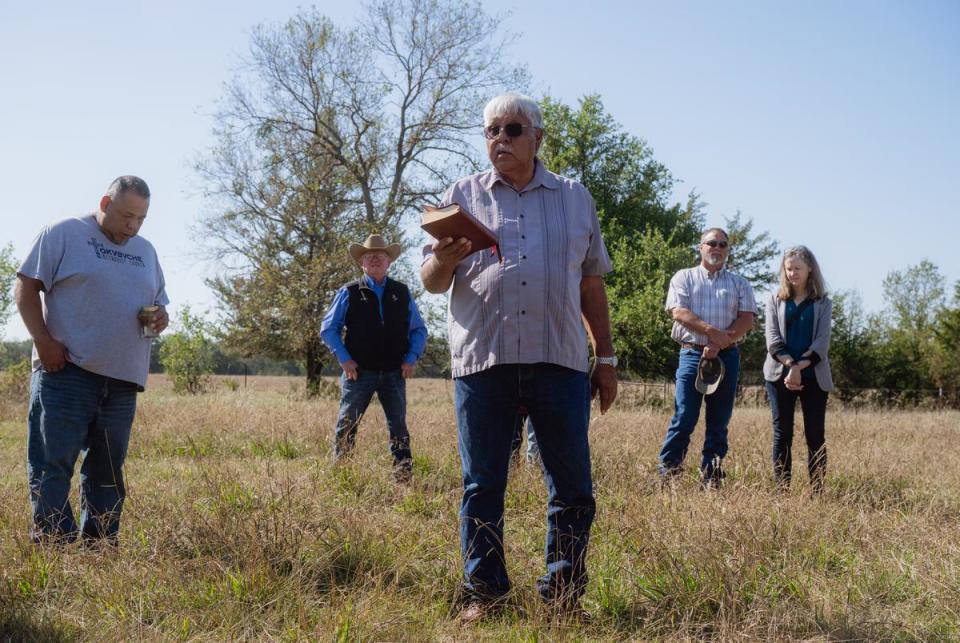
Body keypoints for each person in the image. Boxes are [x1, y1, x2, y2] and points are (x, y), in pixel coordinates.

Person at [420, 91, 617, 619]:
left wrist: (607, 358)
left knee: (572, 486)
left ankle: (563, 597)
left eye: (511, 129)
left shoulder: (576, 197)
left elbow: (591, 283)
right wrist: (442, 258)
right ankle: (484, 592)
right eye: (490, 131)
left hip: (560, 358)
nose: (499, 140)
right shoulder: (460, 197)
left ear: (538, 137)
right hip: (485, 360)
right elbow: (432, 283)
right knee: (483, 483)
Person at [15, 176, 169, 544]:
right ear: (105, 203)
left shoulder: (145, 251)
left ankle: (100, 545)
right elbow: (25, 286)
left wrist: (160, 318)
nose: (132, 226)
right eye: (126, 216)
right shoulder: (64, 233)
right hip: (67, 372)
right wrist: (43, 340)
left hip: (122, 381)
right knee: (54, 463)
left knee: (108, 469)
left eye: (141, 219)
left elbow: (158, 304)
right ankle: (55, 544)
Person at [321, 234, 427, 482]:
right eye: (370, 256)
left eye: (381, 256)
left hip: (394, 372)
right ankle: (343, 476)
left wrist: (411, 358)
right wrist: (344, 359)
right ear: (362, 264)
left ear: (389, 262)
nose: (376, 259)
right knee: (347, 423)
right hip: (359, 372)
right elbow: (328, 329)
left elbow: (419, 329)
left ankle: (403, 477)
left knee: (398, 426)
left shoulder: (401, 292)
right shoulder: (349, 291)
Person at [658, 228, 756, 488]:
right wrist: (712, 334)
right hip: (692, 353)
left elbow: (747, 319)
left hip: (727, 356)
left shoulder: (739, 283)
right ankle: (668, 474)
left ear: (727, 250)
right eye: (712, 243)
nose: (718, 247)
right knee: (684, 416)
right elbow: (678, 312)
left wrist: (720, 343)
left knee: (719, 420)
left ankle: (711, 476)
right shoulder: (684, 277)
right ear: (700, 247)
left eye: (723, 244)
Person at [763, 245, 833, 492]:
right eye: (789, 268)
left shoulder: (823, 303)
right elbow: (772, 340)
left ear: (810, 269)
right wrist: (791, 366)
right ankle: (782, 492)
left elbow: (822, 343)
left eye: (798, 268)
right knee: (782, 435)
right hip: (778, 375)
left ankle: (817, 492)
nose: (793, 273)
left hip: (814, 376)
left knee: (815, 435)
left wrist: (800, 366)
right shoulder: (774, 300)